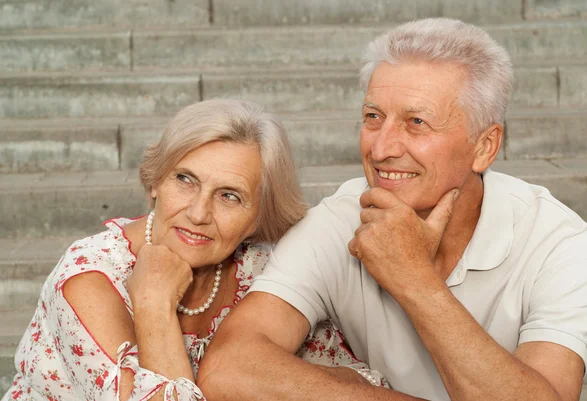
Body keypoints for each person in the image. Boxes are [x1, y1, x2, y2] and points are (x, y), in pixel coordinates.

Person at [198, 18, 587, 401]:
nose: (381, 149)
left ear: (485, 147)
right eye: (373, 117)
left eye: (416, 122)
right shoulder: (338, 220)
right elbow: (228, 369)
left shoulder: (560, 243)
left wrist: (414, 279)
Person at [2, 99, 388, 401]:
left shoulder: (263, 269)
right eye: (184, 180)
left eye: (230, 196)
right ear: (155, 180)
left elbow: (360, 383)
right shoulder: (88, 278)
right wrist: (153, 304)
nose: (199, 213)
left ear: (257, 218)